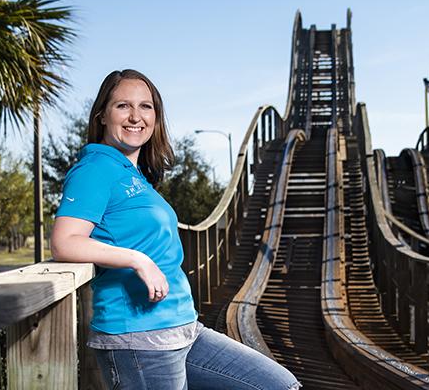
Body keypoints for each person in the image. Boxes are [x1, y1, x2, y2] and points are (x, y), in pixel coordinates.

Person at [51, 69, 301, 390]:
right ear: (102, 115)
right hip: (139, 338)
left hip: (184, 328)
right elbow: (65, 242)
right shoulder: (95, 169)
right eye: (123, 106)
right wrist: (137, 260)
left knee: (280, 385)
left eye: (146, 107)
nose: (135, 116)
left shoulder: (136, 175)